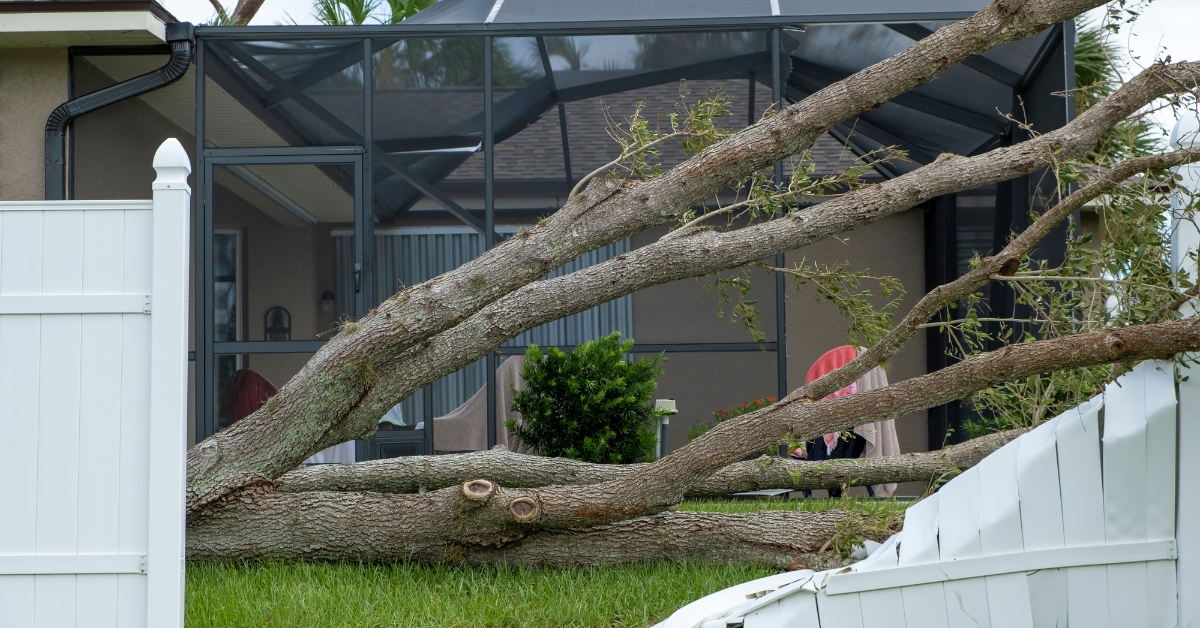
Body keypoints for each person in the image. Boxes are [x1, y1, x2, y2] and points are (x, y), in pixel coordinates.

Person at [791, 346, 901, 498]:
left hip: (819, 454)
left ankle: (826, 492)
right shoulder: (857, 411)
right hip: (850, 449)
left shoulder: (817, 415)